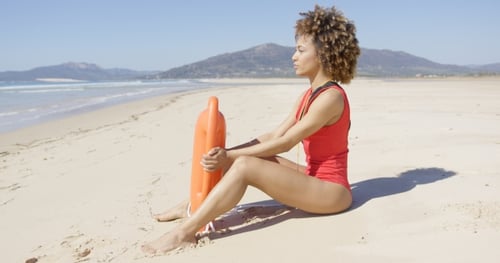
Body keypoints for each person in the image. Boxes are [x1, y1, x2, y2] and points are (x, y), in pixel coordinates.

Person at [142, 4, 360, 255]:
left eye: (300, 50)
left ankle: (183, 233)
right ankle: (192, 204)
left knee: (245, 165)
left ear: (323, 55)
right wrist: (226, 153)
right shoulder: (307, 95)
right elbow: (274, 135)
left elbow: (287, 142)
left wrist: (232, 158)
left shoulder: (331, 98)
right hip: (314, 177)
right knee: (249, 156)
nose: (293, 56)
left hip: (333, 193)